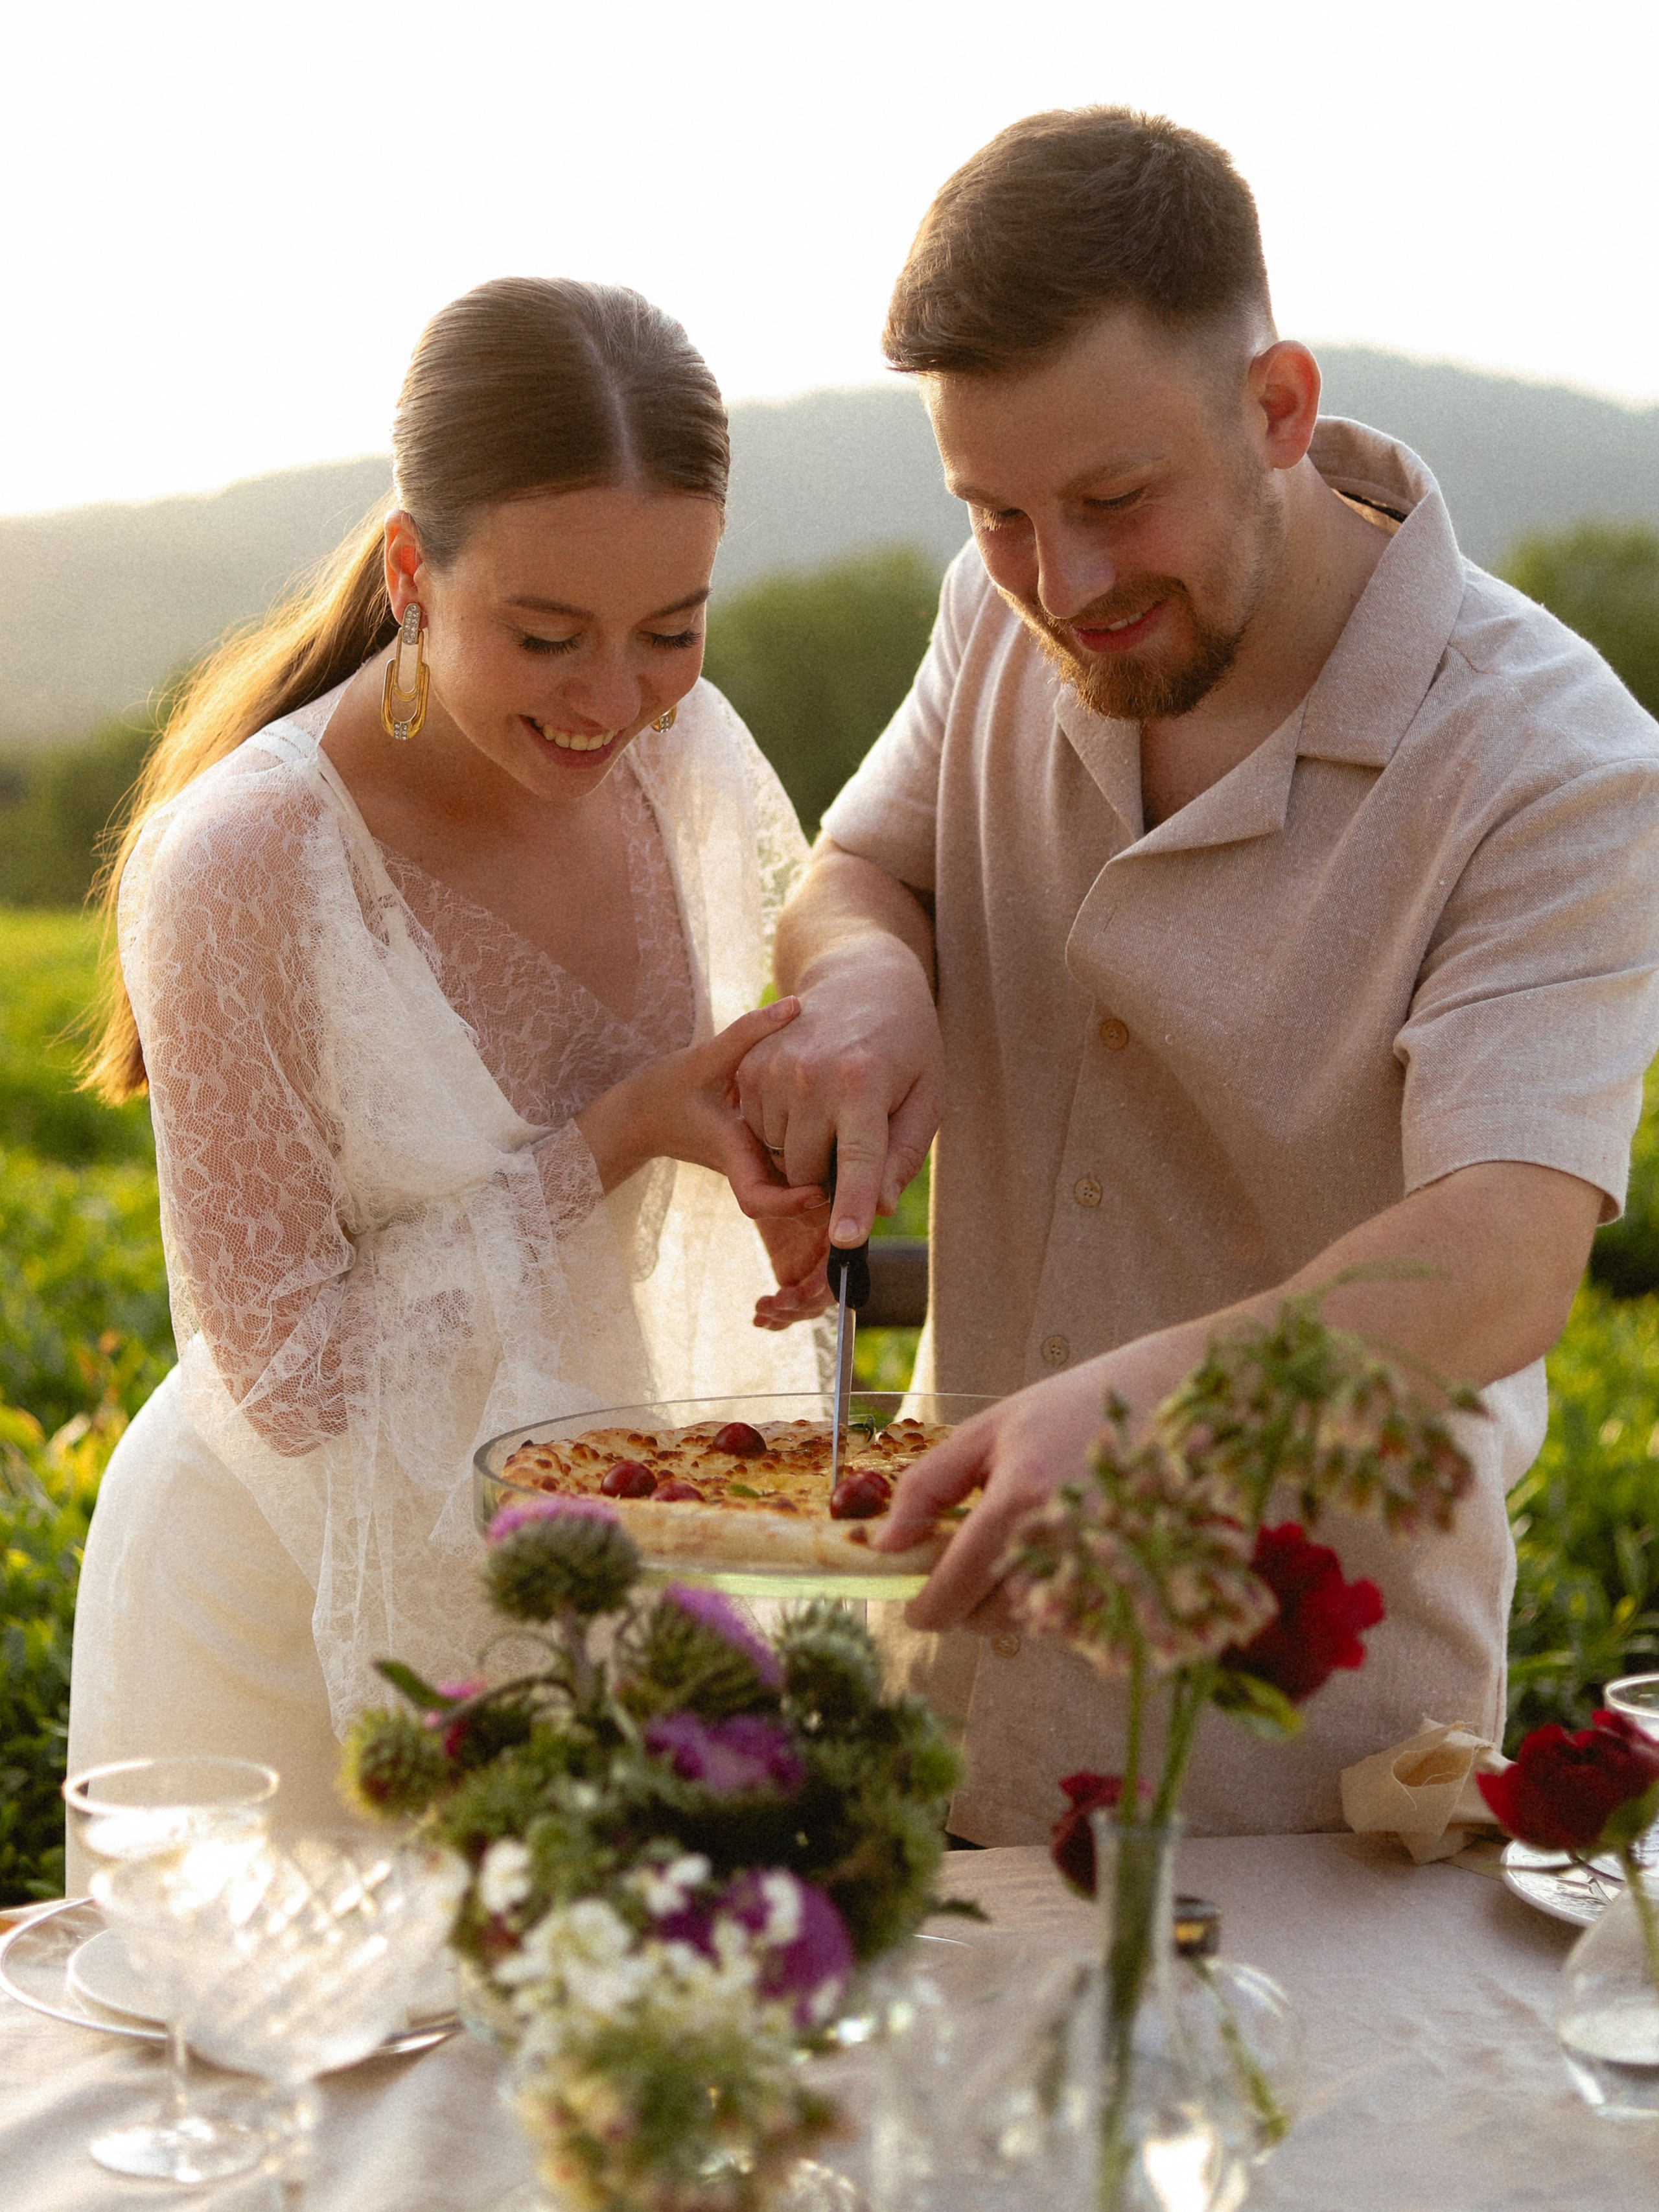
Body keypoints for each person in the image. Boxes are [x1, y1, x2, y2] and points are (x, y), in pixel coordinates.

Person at [737, 109, 1659, 1837]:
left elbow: (1504, 1256)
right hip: (944, 1712)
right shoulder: (991, 600)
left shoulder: (1562, 764)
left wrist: (1158, 1400)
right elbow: (863, 866)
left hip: (1298, 1759)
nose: (1060, 585)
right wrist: (860, 976)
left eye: (1113, 501)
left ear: (1280, 409)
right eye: (996, 511)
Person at [67, 279, 828, 1872]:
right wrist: (612, 1139)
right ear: (414, 570)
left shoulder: (678, 756)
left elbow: (758, 1039)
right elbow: (284, 1382)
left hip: (587, 1565)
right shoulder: (247, 860)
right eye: (545, 637)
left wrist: (782, 1140)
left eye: (670, 631)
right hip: (276, 1622)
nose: (613, 702)